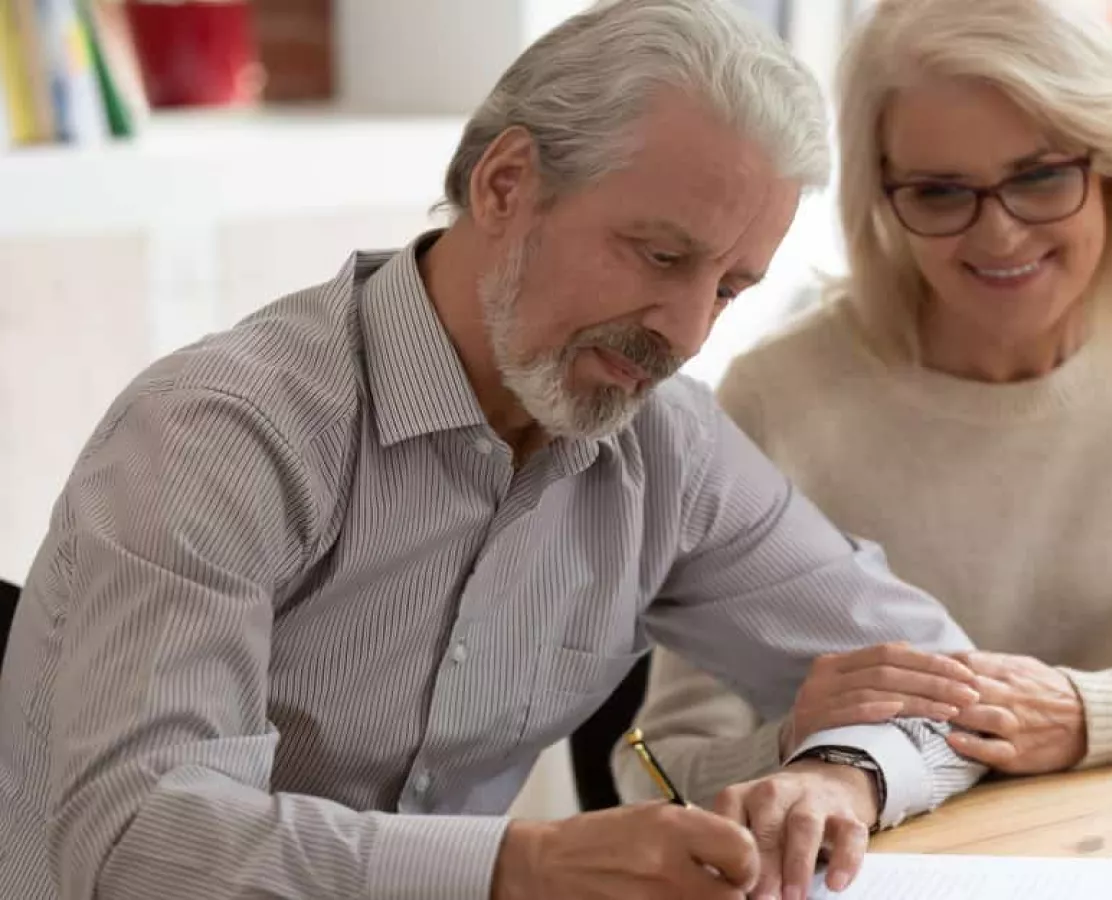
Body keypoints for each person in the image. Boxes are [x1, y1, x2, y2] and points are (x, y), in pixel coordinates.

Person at [0, 2, 992, 898]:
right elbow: (136, 842)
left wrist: (842, 774)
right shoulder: (219, 433)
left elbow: (949, 685)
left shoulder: (663, 444)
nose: (688, 332)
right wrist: (525, 863)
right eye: (659, 255)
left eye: (729, 286)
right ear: (506, 183)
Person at [614, 0, 1112, 807]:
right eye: (939, 192)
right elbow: (659, 767)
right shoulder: (778, 393)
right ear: (882, 196)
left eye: (1039, 176)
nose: (997, 237)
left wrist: (1083, 715)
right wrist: (794, 748)